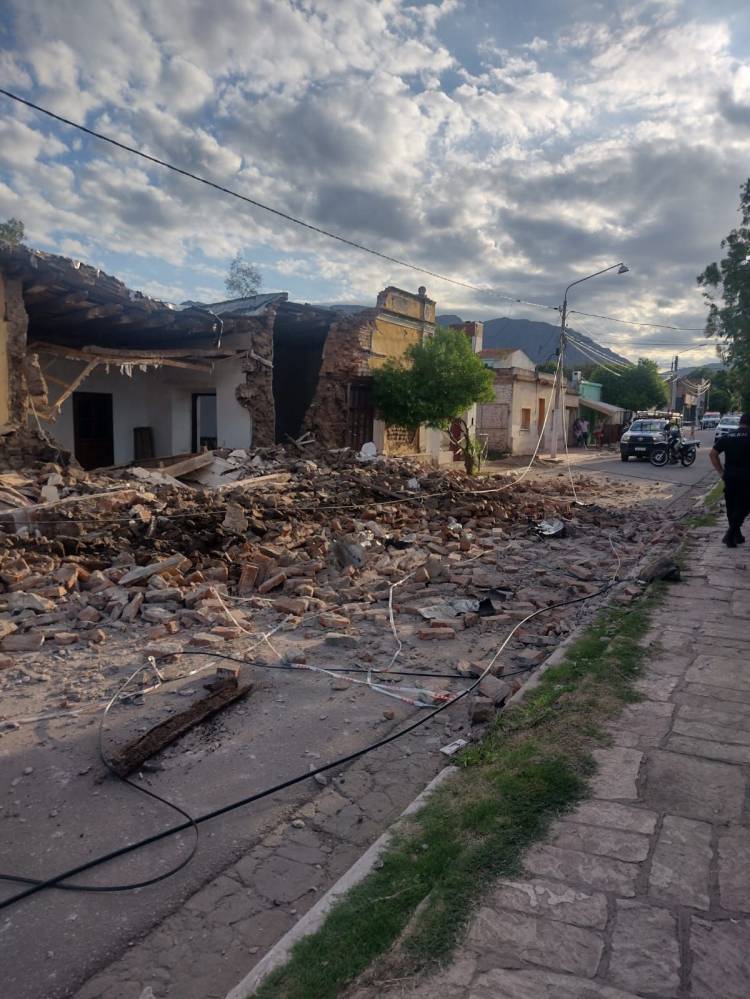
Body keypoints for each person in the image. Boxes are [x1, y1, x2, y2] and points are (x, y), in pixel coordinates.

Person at [709, 412, 750, 548]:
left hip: (730, 476)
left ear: (740, 422)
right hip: (746, 477)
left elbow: (713, 454)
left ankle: (735, 537)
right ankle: (730, 534)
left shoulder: (729, 436)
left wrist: (721, 472)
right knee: (744, 506)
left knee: (731, 505)